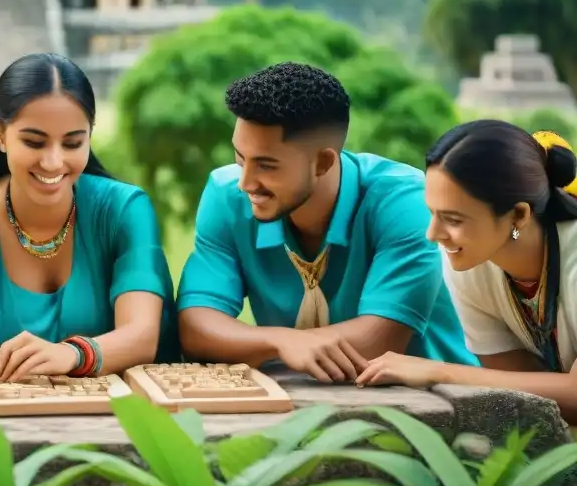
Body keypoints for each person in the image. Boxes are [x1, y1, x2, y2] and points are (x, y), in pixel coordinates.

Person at [176, 62, 475, 383]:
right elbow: (196, 328)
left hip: (441, 407)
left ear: (323, 162)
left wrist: (244, 343)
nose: (245, 182)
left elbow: (378, 342)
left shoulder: (405, 201)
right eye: (240, 158)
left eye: (266, 166)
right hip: (304, 398)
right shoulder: (226, 197)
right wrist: (281, 340)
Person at [0, 53, 179, 381]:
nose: (53, 162)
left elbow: (142, 336)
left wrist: (71, 354)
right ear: (0, 134)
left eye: (73, 143)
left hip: (125, 421)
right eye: (34, 142)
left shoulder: (124, 210)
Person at [357, 122, 577, 425]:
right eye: (432, 213)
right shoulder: (468, 263)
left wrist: (440, 372)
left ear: (518, 215)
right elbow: (526, 395)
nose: (433, 234)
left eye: (453, 219)